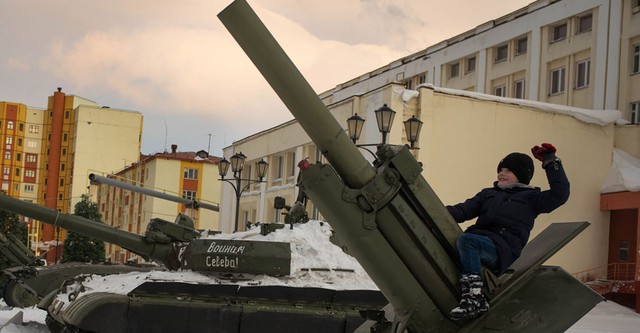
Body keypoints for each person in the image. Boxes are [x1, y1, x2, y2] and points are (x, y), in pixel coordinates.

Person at [446, 143, 570, 320]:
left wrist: (551, 162)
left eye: (508, 171)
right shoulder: (488, 193)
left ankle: (474, 298)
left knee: (467, 240)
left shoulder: (532, 199)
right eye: (500, 169)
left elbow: (560, 194)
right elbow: (463, 210)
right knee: (461, 240)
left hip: (502, 249)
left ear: (521, 175)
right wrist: (430, 212)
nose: (501, 174)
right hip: (480, 242)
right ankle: (473, 295)